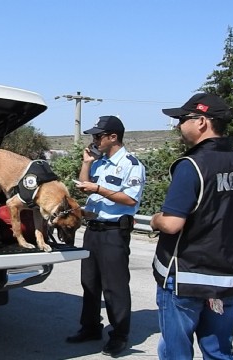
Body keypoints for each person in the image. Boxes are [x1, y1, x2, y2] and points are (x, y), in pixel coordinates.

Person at [150, 93, 233, 359]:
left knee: (176, 352)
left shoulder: (191, 166)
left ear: (201, 122)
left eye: (182, 119)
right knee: (219, 352)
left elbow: (173, 223)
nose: (178, 126)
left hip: (185, 279)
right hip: (226, 278)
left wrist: (155, 219)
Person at [68, 115, 146, 357]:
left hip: (114, 232)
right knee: (89, 284)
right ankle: (90, 328)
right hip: (93, 230)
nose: (94, 140)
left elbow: (131, 199)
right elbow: (84, 186)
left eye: (98, 136)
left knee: (115, 287)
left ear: (113, 137)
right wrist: (86, 163)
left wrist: (99, 189)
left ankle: (119, 336)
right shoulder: (99, 163)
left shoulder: (131, 164)